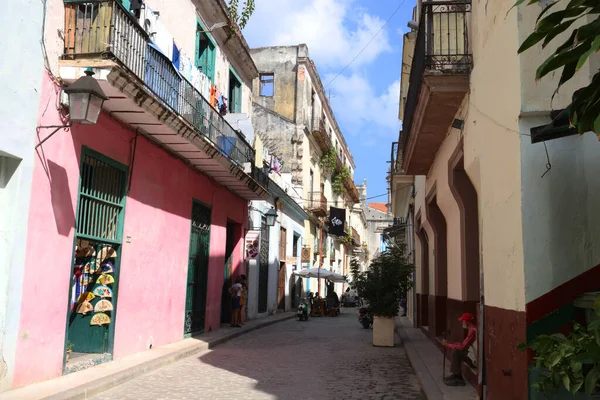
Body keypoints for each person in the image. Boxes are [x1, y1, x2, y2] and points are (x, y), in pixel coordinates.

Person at [442, 313, 477, 386]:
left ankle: (458, 378)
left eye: (463, 321)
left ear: (466, 322)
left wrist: (448, 345)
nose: (462, 323)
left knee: (457, 351)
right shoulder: (472, 329)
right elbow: (463, 344)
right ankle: (456, 374)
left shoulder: (472, 331)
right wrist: (451, 343)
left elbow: (462, 347)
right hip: (471, 354)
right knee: (457, 350)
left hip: (474, 359)